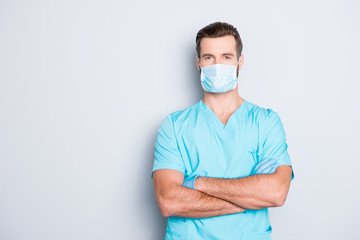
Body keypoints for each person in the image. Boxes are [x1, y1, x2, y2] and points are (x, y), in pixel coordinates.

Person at [151, 22, 294, 240]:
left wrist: (198, 182)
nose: (217, 65)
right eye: (209, 57)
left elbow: (276, 193)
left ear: (240, 61)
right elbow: (169, 201)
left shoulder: (265, 122)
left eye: (226, 57)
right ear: (198, 64)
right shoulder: (174, 126)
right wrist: (249, 196)